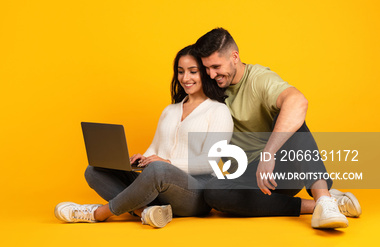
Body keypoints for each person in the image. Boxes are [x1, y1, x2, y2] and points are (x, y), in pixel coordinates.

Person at [194, 28, 362, 229]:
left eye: (216, 66)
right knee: (213, 191)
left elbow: (298, 101)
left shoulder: (259, 79)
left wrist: (268, 154)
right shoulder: (208, 86)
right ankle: (322, 205)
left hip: (276, 171)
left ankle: (324, 198)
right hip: (245, 178)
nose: (212, 74)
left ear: (234, 57)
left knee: (289, 121)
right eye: (207, 68)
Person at [54, 45, 233, 228]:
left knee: (158, 169)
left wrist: (166, 163)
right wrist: (142, 159)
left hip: (196, 192)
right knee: (94, 170)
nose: (185, 78)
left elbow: (208, 162)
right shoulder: (170, 110)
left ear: (205, 73)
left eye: (193, 71)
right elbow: (155, 148)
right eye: (180, 72)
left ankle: (99, 213)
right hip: (159, 183)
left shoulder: (218, 111)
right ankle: (146, 211)